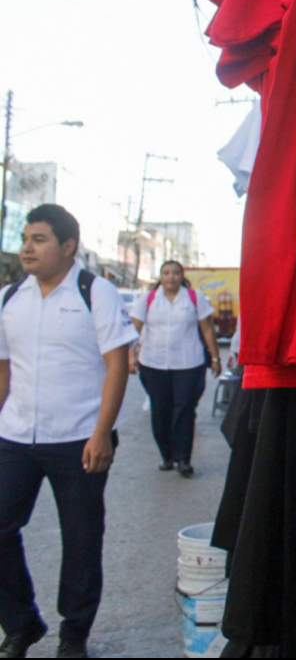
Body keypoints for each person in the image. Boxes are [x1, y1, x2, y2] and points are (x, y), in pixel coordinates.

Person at [0, 204, 138, 659]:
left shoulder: (94, 292)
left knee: (80, 539)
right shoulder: (9, 298)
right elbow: (4, 373)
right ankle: (21, 623)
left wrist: (103, 433)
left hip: (79, 438)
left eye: (38, 238)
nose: (26, 247)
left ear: (67, 246)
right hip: (16, 436)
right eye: (25, 237)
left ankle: (74, 634)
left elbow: (117, 365)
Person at [129, 261, 221, 478]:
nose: (171, 277)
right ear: (160, 276)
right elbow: (134, 329)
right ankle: (166, 455)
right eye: (166, 273)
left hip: (188, 363)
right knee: (160, 410)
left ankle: (183, 459)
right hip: (153, 363)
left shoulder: (193, 297)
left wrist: (215, 357)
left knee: (184, 409)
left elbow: (207, 329)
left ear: (182, 276)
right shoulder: (149, 299)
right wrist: (129, 356)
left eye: (175, 273)